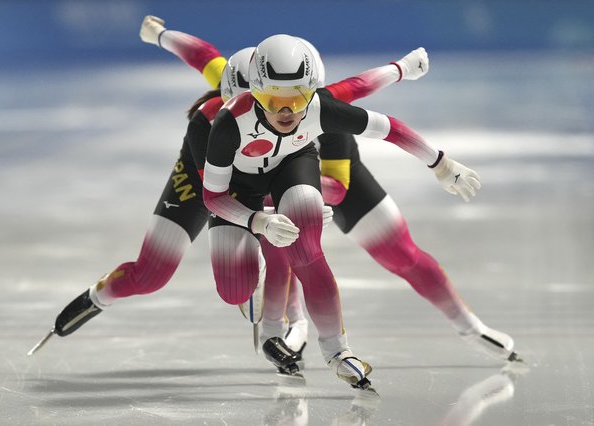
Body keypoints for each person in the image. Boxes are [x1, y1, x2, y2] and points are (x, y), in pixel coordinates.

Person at [27, 17, 426, 373]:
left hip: (256, 178)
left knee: (288, 230)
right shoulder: (218, 119)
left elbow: (350, 88)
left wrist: (401, 69)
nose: (277, 114)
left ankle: (284, 317)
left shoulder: (283, 97)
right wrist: (161, 34)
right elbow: (215, 189)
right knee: (152, 274)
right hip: (209, 178)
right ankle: (101, 294)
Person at [199, 32, 489, 390]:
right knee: (233, 288)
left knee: (305, 243)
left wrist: (440, 163)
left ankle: (337, 351)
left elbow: (384, 123)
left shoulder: (323, 108)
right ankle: (258, 283)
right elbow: (213, 197)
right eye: (273, 100)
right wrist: (257, 221)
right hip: (242, 189)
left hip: (300, 168)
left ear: (312, 92)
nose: (286, 111)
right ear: (252, 93)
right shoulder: (227, 123)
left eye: (298, 98)